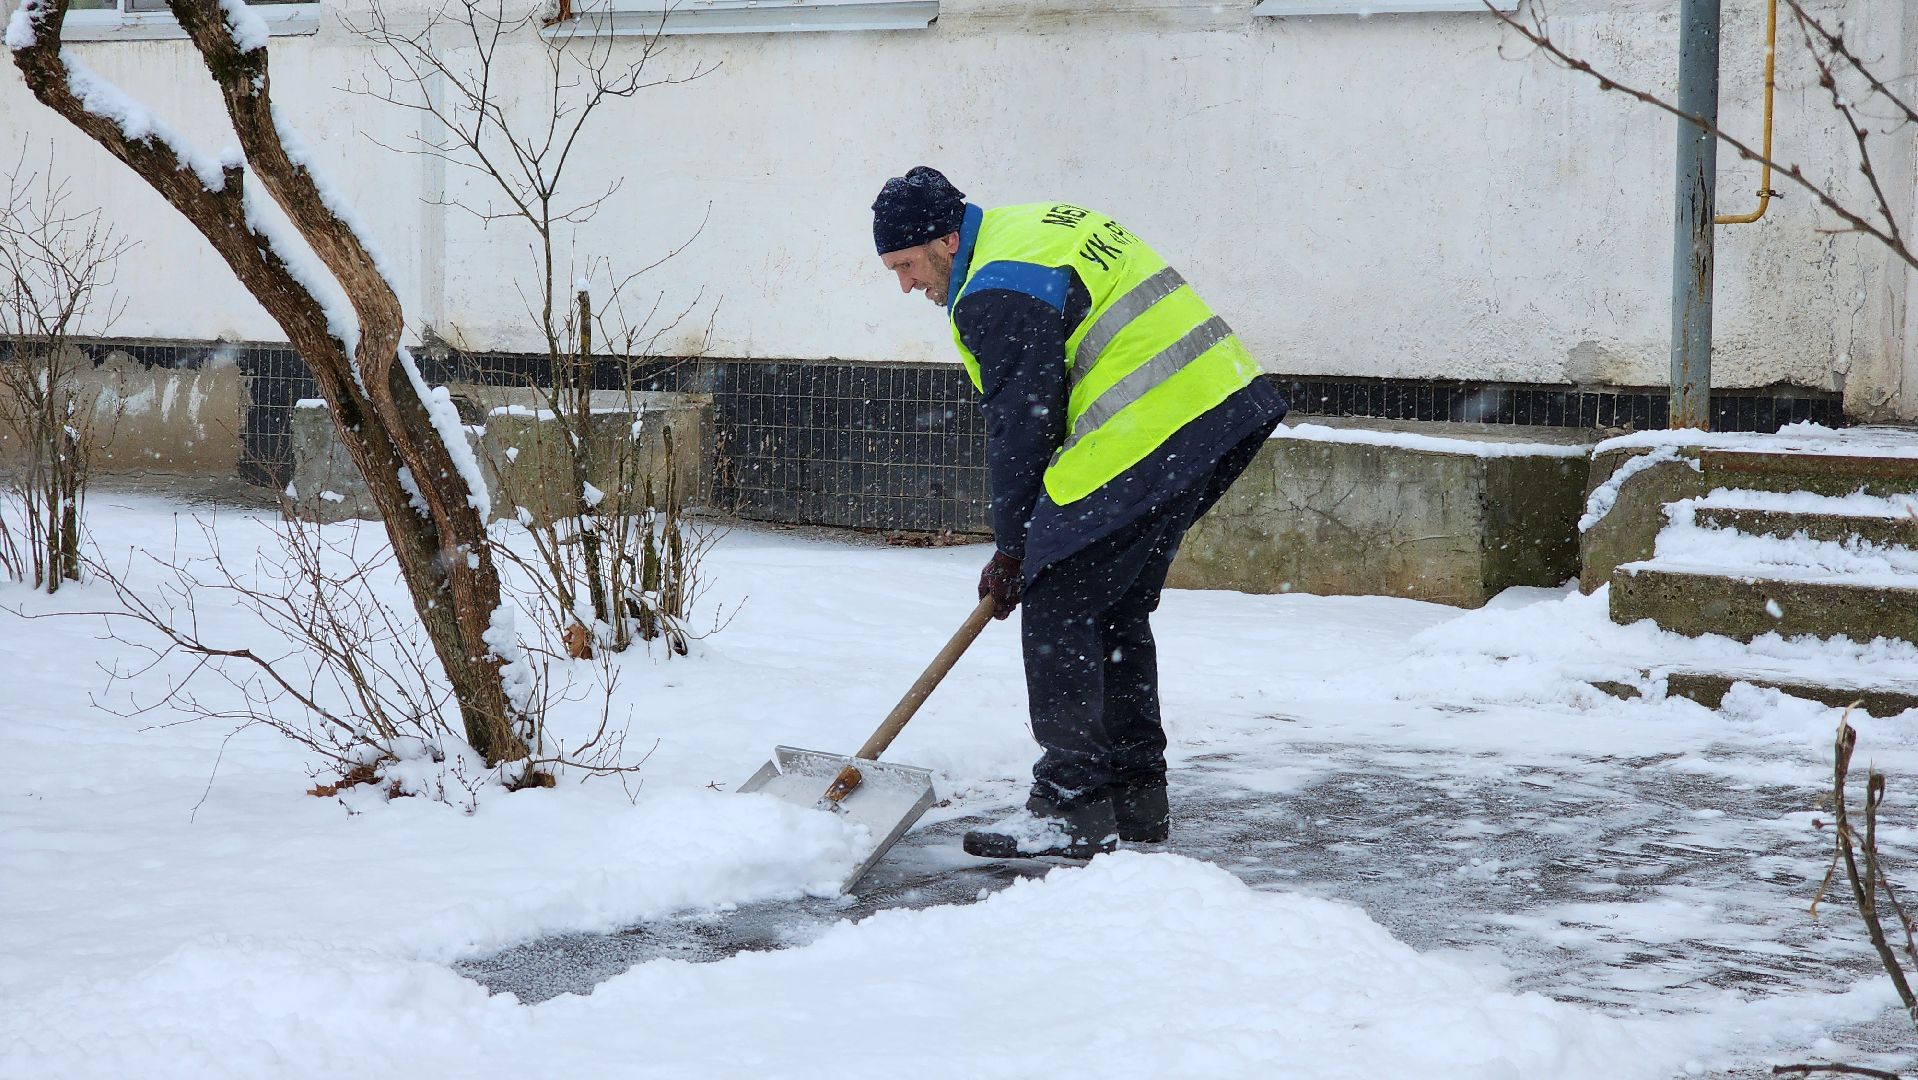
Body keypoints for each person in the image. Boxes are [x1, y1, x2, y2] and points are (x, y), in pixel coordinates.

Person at [872, 166, 1286, 859]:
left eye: (908, 265)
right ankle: (1134, 797)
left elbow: (1023, 429)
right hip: (1218, 408)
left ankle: (1070, 808)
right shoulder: (1029, 231)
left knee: (1061, 604)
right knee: (1113, 610)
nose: (906, 285)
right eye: (892, 270)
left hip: (1149, 430)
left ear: (947, 240)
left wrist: (1015, 552)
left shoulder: (995, 291)